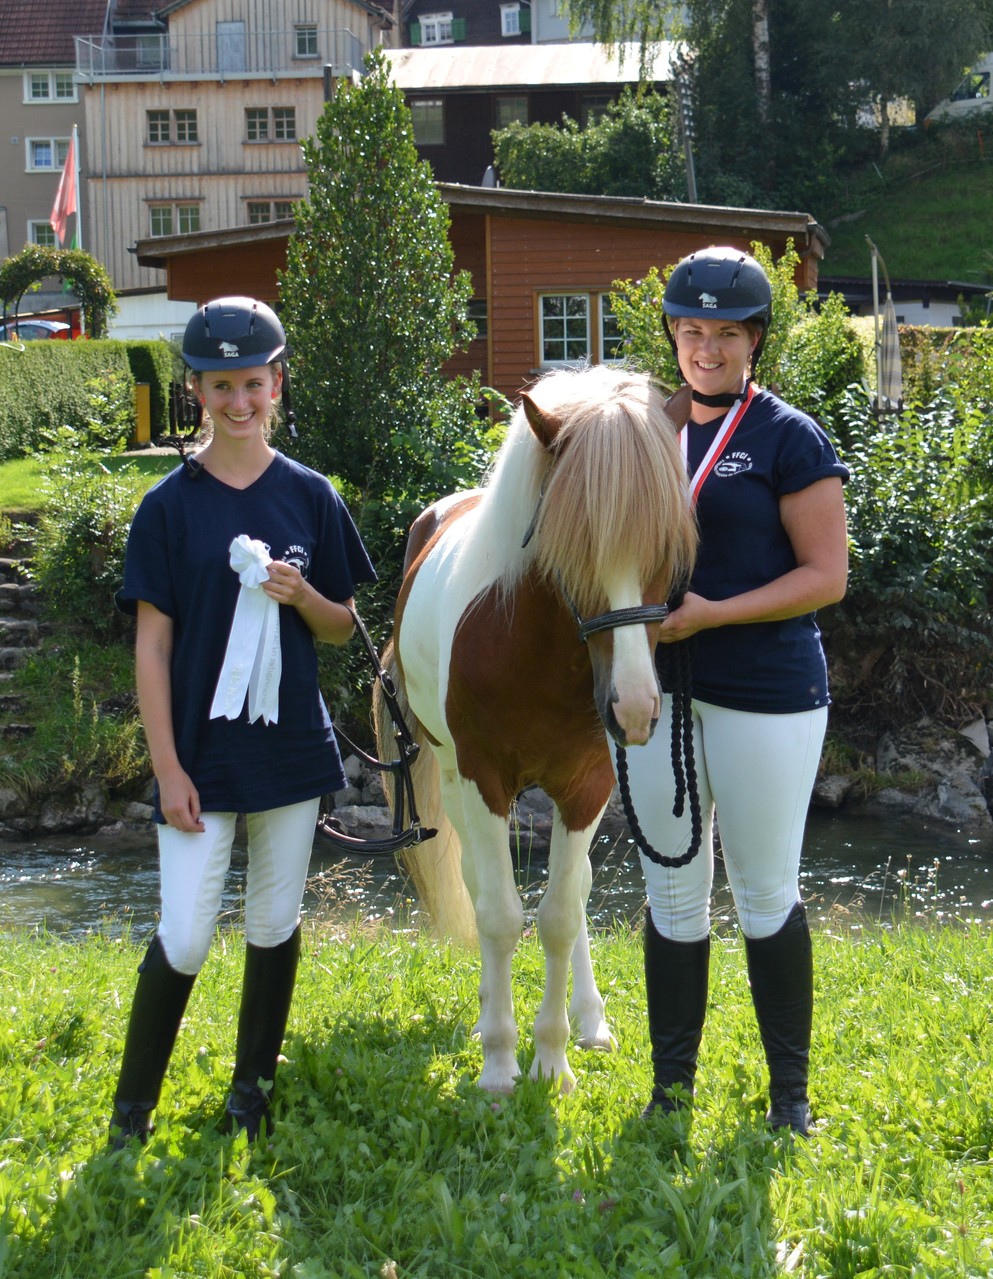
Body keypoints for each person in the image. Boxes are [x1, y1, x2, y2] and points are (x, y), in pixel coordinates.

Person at [109, 296, 376, 1148]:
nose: (237, 401)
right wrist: (168, 766)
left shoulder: (311, 495)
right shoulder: (166, 507)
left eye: (252, 384)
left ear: (277, 384)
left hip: (291, 753)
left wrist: (304, 597)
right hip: (197, 755)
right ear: (196, 390)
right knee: (185, 934)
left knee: (271, 922)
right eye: (219, 385)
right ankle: (129, 1115)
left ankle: (250, 1095)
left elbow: (344, 626)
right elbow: (152, 647)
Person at [624, 248, 849, 1135]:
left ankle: (787, 1098)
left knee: (762, 894)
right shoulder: (640, 431)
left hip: (765, 690)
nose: (705, 347)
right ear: (672, 334)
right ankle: (669, 1093)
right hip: (660, 690)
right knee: (672, 895)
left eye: (724, 332)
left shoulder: (789, 437)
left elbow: (824, 576)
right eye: (690, 329)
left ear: (754, 338)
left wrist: (713, 615)